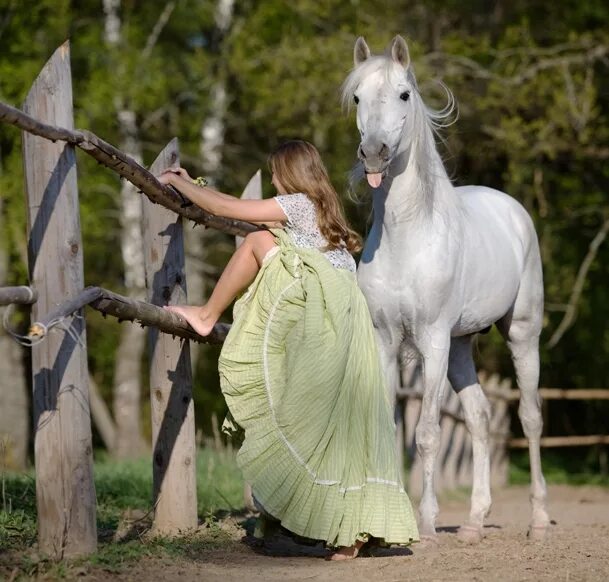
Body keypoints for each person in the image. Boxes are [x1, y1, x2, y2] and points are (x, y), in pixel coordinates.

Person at [158, 139, 419, 560]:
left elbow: (229, 209)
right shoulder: (323, 209)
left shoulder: (297, 203)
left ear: (290, 174)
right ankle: (352, 531)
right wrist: (195, 184)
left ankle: (207, 313)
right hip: (349, 321)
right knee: (338, 426)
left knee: (259, 240)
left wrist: (178, 183)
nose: (274, 180)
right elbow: (227, 202)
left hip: (326, 313)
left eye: (276, 172)